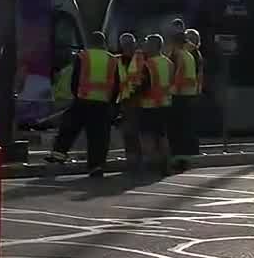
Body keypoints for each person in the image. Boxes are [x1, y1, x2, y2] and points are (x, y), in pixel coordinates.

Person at [46, 31, 121, 177]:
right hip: (103, 103)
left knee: (69, 126)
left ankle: (59, 154)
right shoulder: (112, 60)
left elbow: (76, 79)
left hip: (83, 100)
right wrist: (112, 103)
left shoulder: (83, 56)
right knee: (99, 137)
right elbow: (116, 84)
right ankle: (96, 166)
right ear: (103, 43)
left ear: (90, 42)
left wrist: (77, 95)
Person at [135, 34, 175, 176]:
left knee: (147, 136)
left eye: (147, 44)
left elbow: (142, 87)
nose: (145, 47)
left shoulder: (148, 65)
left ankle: (150, 166)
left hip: (149, 105)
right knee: (162, 136)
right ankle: (166, 165)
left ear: (153, 46)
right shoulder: (169, 63)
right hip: (165, 104)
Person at [167, 32, 200, 171]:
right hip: (189, 95)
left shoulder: (178, 56)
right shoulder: (189, 55)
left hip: (178, 95)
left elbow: (178, 76)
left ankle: (178, 158)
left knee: (177, 129)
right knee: (187, 128)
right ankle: (187, 156)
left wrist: (171, 91)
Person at [115, 33, 144, 170]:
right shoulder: (118, 60)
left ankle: (137, 159)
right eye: (125, 44)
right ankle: (132, 159)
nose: (127, 47)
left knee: (136, 131)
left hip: (139, 99)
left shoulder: (141, 57)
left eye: (129, 44)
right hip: (125, 100)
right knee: (128, 131)